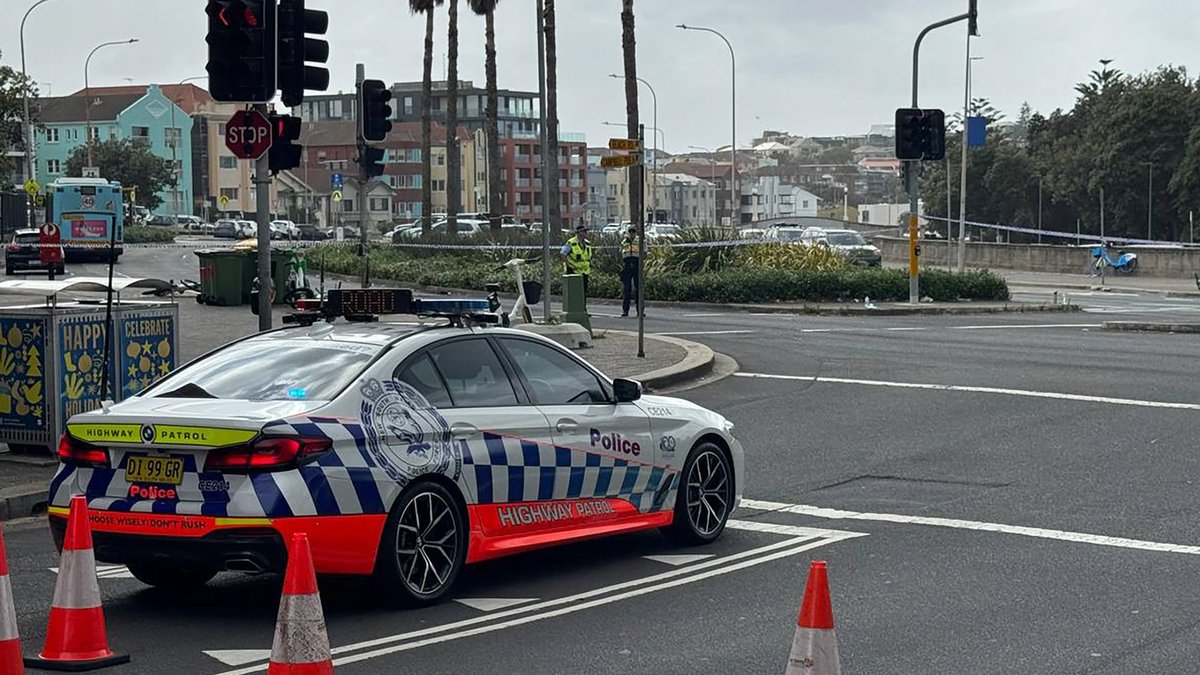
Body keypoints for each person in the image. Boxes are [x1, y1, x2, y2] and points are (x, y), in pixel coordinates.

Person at [560, 223, 593, 295]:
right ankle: (575, 306)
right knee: (575, 293)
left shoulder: (587, 243)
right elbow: (563, 254)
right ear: (580, 233)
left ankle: (582, 306)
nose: (586, 233)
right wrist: (569, 265)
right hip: (574, 271)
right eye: (584, 231)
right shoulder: (571, 242)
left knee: (583, 292)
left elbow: (588, 256)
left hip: (585, 271)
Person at [620, 225, 640, 317]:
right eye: (630, 232)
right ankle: (625, 311)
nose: (632, 234)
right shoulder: (624, 242)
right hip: (627, 266)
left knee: (638, 290)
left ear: (635, 233)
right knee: (626, 290)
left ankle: (639, 310)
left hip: (637, 265)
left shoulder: (640, 241)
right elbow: (621, 253)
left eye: (633, 232)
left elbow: (645, 252)